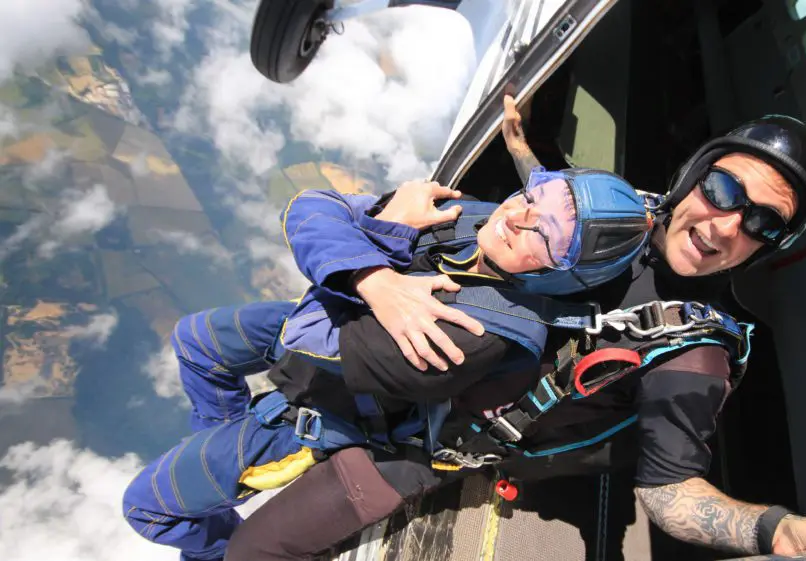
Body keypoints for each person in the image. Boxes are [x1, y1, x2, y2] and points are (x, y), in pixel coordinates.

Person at [221, 96, 806, 560]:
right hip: (400, 355)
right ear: (694, 176)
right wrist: (520, 145)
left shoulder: (694, 352)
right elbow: (555, 197)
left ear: (768, 246)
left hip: (421, 448)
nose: (726, 225)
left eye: (761, 223)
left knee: (254, 550)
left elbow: (671, 491)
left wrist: (769, 530)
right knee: (236, 360)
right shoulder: (634, 210)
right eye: (724, 190)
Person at [121, 167, 654, 561]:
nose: (518, 217)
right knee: (194, 339)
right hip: (335, 333)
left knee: (147, 508)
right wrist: (374, 280)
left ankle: (212, 538)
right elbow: (311, 204)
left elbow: (310, 343)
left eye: (550, 235)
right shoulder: (468, 218)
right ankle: (219, 451)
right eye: (536, 193)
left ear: (563, 276)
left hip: (333, 412)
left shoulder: (481, 333)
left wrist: (382, 236)